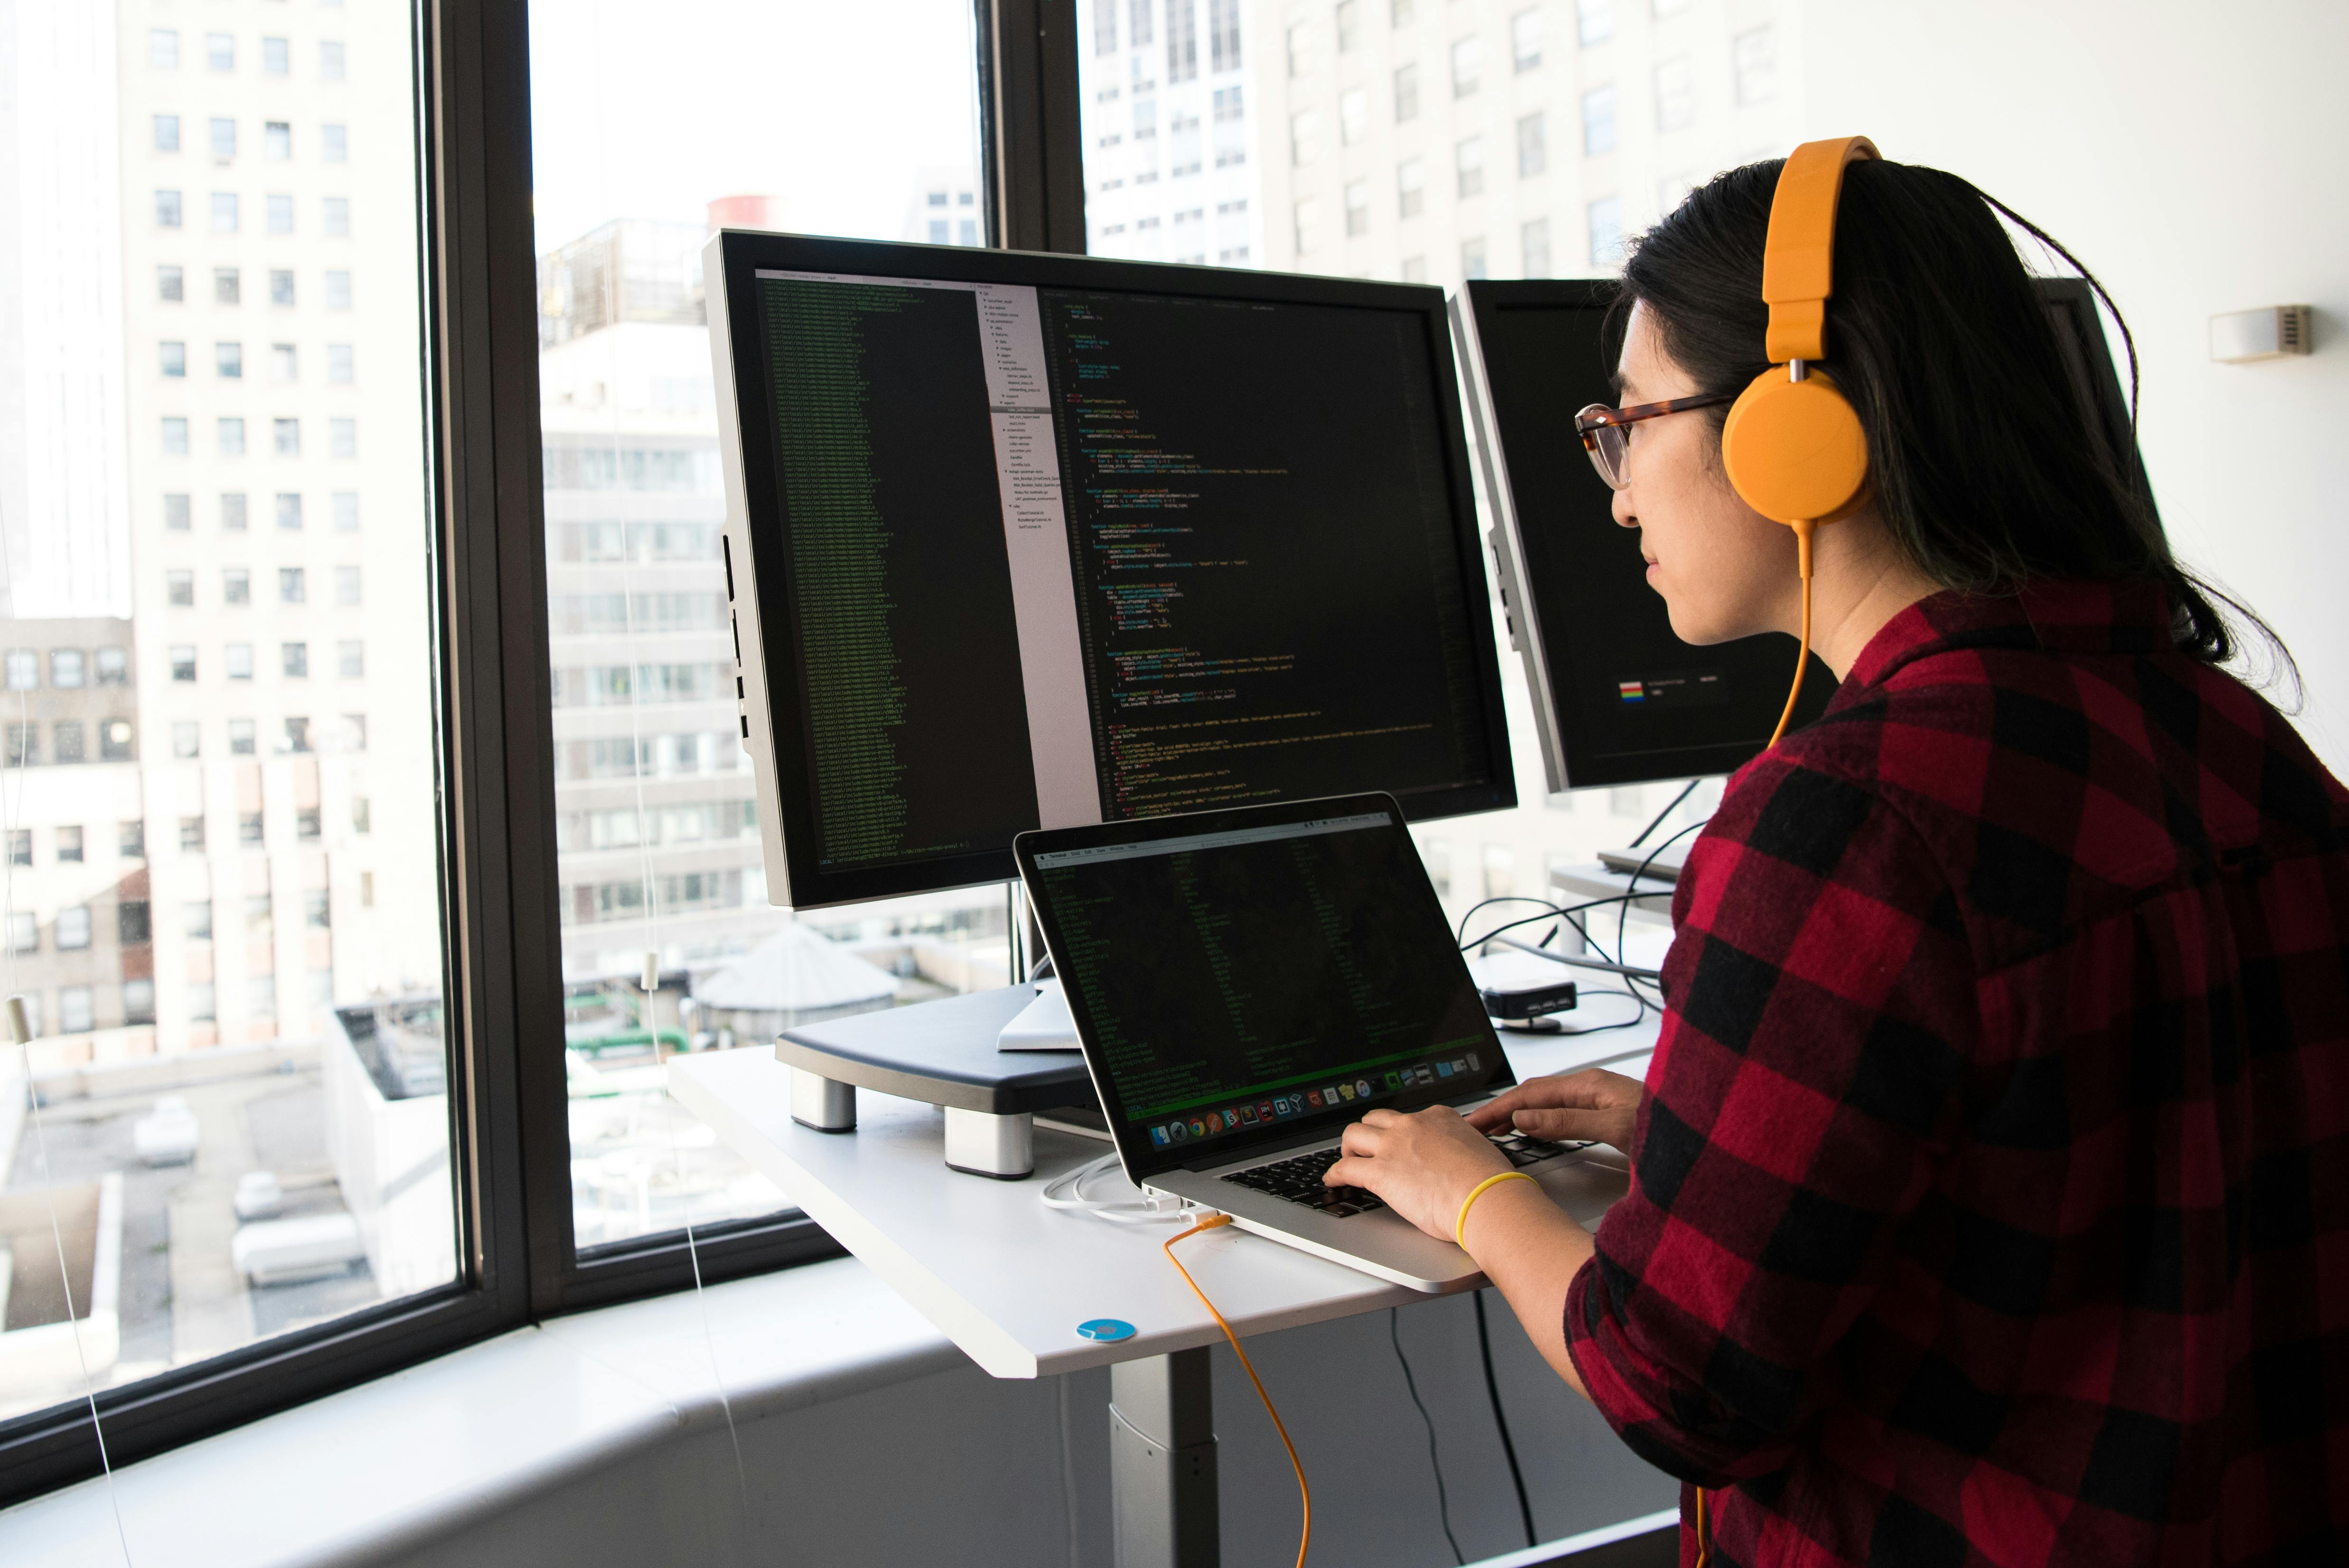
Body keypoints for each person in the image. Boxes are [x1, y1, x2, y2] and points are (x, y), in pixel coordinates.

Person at [1325, 151, 2349, 1565]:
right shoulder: (2237, 734)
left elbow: (1677, 1384)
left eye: (1628, 426)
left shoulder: (1846, 820)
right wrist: (1699, 1135)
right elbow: (2110, 1154)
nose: (1616, 496)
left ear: (1795, 436)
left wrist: (1471, 1192)